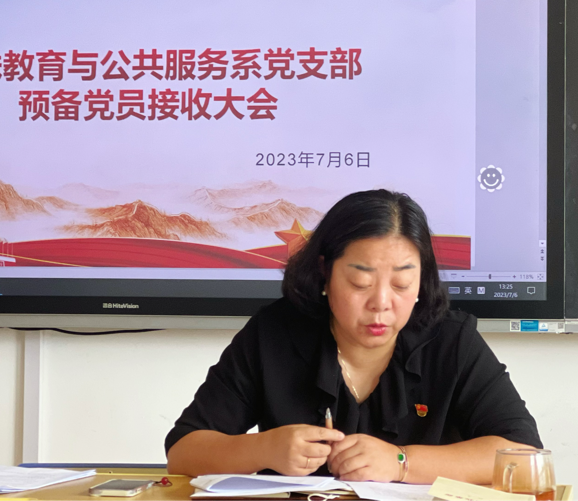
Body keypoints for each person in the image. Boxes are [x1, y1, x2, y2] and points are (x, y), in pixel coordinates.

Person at [165, 190, 542, 484]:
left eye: (401, 283)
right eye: (360, 282)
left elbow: (524, 455)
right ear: (325, 272)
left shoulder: (452, 341)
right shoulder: (274, 334)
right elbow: (183, 451)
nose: (381, 303)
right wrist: (262, 448)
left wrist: (402, 462)